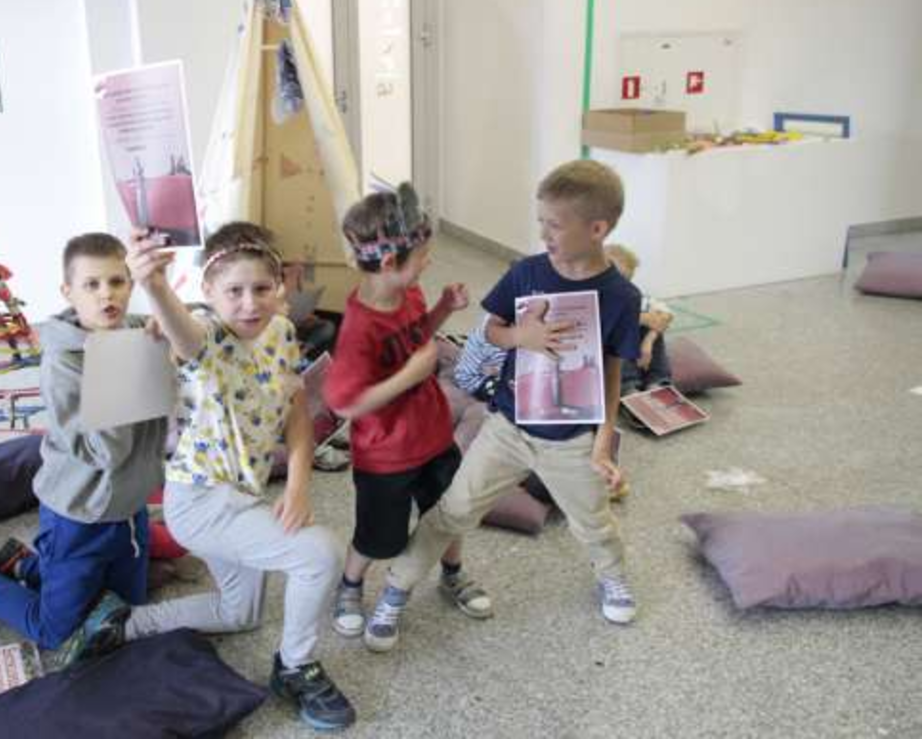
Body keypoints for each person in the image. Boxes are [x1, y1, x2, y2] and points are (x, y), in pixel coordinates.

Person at [86, 221, 355, 732]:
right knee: (320, 554)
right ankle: (295, 667)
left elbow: (298, 414)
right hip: (201, 504)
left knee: (240, 614)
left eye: (261, 288)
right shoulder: (206, 336)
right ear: (208, 291)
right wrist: (154, 284)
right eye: (234, 291)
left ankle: (126, 623)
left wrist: (299, 485)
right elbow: (186, 335)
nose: (250, 304)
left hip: (245, 497)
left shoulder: (281, 331)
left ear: (280, 286)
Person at [365, 159, 643, 650]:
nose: (543, 233)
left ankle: (614, 577)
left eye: (554, 225)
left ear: (597, 229)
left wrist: (603, 443)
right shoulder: (526, 272)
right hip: (507, 426)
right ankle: (396, 589)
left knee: (594, 520)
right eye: (541, 222)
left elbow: (612, 371)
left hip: (570, 439)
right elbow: (491, 331)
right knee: (452, 510)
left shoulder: (622, 296)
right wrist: (521, 337)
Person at [0, 233, 167, 670]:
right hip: (79, 514)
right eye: (91, 284)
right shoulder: (64, 363)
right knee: (56, 630)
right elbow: (106, 453)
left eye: (117, 281)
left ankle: (23, 564)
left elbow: (191, 336)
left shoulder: (137, 332)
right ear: (68, 292)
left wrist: (167, 328)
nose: (106, 294)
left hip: (128, 511)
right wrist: (125, 374)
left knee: (124, 609)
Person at [322, 184, 492, 651]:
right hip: (386, 456)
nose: (429, 263)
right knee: (379, 538)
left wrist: (442, 310)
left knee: (450, 514)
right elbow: (343, 403)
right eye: (422, 256)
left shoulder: (408, 291)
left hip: (433, 434)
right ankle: (350, 585)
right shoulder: (358, 329)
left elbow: (418, 336)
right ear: (388, 263)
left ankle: (452, 574)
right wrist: (409, 376)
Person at [604, 244, 674, 395]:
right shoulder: (595, 298)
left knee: (652, 323)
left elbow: (665, 315)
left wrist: (648, 341)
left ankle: (658, 381)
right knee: (620, 329)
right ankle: (628, 386)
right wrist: (638, 319)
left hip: (642, 358)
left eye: (626, 280)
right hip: (616, 365)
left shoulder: (634, 297)